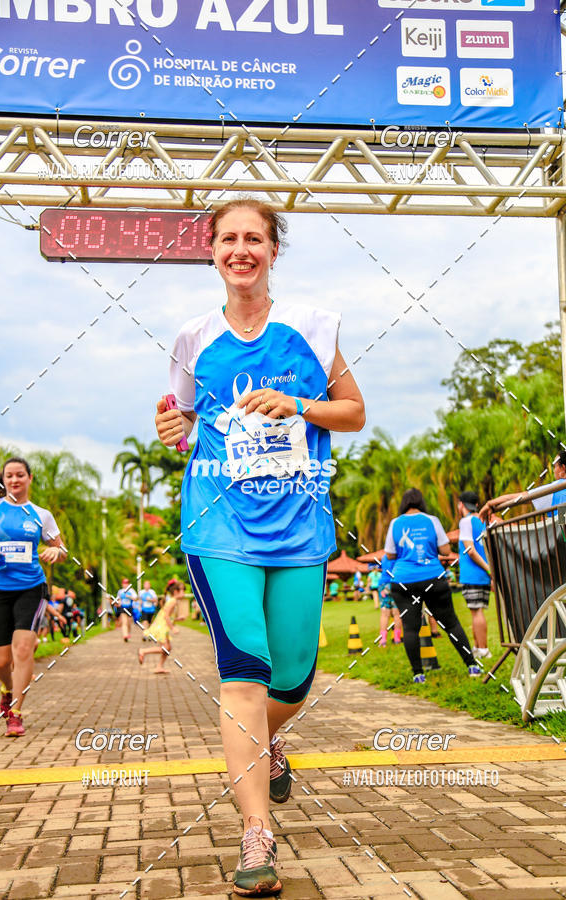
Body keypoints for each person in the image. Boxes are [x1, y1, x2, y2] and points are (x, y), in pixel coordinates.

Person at [155, 197, 365, 897]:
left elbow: (355, 413)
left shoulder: (310, 326)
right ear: (211, 251)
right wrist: (173, 432)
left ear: (274, 249)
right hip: (220, 525)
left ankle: (269, 737)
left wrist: (296, 403)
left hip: (300, 526)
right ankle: (256, 837)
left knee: (294, 675)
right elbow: (184, 420)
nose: (240, 249)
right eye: (228, 239)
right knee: (243, 671)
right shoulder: (192, 337)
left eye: (254, 238)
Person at [0, 457, 65, 736]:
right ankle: (7, 690)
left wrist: (56, 552)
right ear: (3, 480)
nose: (14, 480)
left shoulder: (40, 515)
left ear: (29, 478)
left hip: (31, 587)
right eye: (9, 476)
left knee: (23, 649)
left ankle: (16, 713)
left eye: (20, 475)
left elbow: (61, 549)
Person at [384, 488, 479, 684]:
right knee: (451, 623)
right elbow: (445, 550)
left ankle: (418, 674)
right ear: (421, 503)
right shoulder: (432, 520)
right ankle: (472, 665)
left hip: (403, 581)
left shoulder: (395, 523)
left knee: (411, 629)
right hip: (433, 578)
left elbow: (390, 555)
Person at [480, 449, 566, 520]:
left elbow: (519, 497)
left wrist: (490, 503)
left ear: (563, 467)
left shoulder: (556, 488)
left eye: (555, 466)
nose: (554, 470)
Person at [458, 491, 492, 660]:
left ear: (461, 505)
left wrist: (488, 569)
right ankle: (478, 647)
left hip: (473, 574)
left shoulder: (465, 522)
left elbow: (469, 550)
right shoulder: (480, 522)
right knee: (477, 611)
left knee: (476, 612)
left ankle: (483, 649)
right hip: (483, 575)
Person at [138, 581, 185, 672]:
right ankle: (143, 651)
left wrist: (178, 619)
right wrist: (173, 628)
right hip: (161, 627)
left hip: (163, 626)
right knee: (166, 648)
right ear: (175, 591)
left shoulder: (173, 601)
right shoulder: (173, 601)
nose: (184, 592)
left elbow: (168, 616)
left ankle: (159, 666)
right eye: (182, 590)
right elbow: (166, 616)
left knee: (168, 648)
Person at [377, 555, 402, 647]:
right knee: (397, 613)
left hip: (383, 584)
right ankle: (397, 639)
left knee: (384, 614)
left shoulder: (384, 557)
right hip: (396, 583)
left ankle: (383, 640)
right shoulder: (400, 556)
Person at [114, 577, 137, 641]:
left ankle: (128, 633)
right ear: (122, 584)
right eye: (124, 583)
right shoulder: (120, 591)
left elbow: (135, 598)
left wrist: (129, 596)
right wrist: (118, 603)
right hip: (123, 608)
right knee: (124, 622)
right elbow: (118, 599)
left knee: (129, 623)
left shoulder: (131, 591)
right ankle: (125, 635)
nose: (125, 585)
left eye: (127, 583)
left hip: (129, 607)